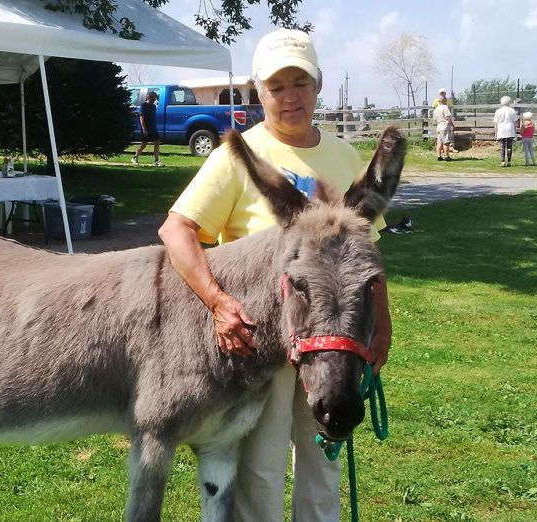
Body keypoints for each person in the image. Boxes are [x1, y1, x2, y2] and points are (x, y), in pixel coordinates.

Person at [158, 28, 392, 522]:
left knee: (321, 465)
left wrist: (381, 327)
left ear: (318, 85)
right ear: (259, 92)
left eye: (300, 84)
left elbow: (366, 253)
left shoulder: (344, 155)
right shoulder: (235, 156)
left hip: (333, 346)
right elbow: (177, 231)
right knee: (260, 469)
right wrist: (218, 304)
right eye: (277, 87)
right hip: (261, 344)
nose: (290, 97)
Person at [132, 91, 162, 166]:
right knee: (144, 144)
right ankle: (135, 157)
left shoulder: (153, 107)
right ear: (149, 97)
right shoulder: (144, 105)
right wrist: (144, 129)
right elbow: (141, 118)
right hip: (146, 127)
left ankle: (156, 160)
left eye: (155, 99)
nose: (154, 100)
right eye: (153, 98)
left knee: (156, 142)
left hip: (153, 127)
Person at [494, 96, 518, 167]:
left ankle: (503, 161)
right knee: (509, 146)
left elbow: (496, 123)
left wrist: (496, 132)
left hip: (501, 129)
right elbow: (515, 122)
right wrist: (515, 132)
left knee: (502, 146)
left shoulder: (498, 111)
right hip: (510, 129)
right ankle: (509, 161)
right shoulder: (512, 110)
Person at [432, 94, 454, 161]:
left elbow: (434, 121)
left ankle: (439, 156)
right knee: (446, 142)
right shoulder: (445, 107)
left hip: (438, 127)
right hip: (445, 126)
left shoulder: (436, 109)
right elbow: (448, 118)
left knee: (439, 142)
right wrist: (452, 125)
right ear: (444, 100)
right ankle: (447, 156)